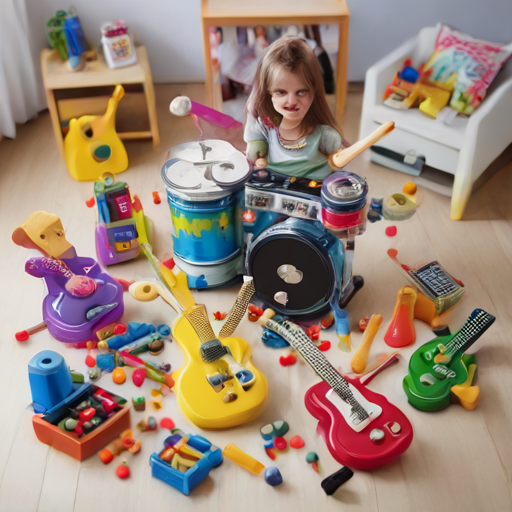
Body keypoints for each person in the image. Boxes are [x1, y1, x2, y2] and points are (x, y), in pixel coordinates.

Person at [244, 36, 347, 180]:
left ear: (313, 93)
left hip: (313, 192)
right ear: (269, 92)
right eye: (281, 92)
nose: (291, 101)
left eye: (301, 92)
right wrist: (252, 111)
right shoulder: (266, 128)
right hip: (275, 189)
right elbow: (253, 147)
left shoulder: (323, 135)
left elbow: (340, 159)